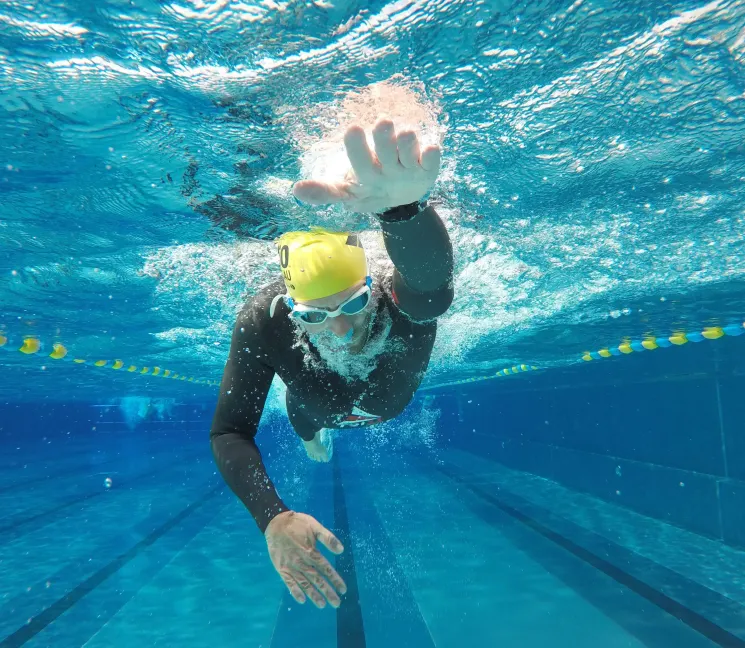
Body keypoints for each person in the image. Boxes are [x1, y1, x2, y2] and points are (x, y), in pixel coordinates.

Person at [210, 117, 454, 610]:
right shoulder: (265, 320)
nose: (339, 327)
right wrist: (272, 517)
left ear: (371, 289)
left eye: (353, 304)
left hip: (384, 402)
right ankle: (311, 435)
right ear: (293, 306)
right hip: (313, 409)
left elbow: (430, 285)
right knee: (308, 416)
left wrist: (403, 210)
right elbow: (229, 431)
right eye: (316, 315)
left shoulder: (396, 297)